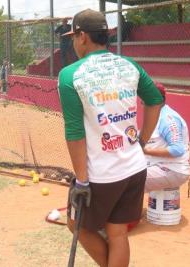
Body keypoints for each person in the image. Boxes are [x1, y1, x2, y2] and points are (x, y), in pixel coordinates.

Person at [57, 9, 163, 267]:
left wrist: (82, 180)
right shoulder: (129, 65)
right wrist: (142, 141)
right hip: (134, 167)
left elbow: (74, 132)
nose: (73, 42)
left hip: (101, 175)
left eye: (74, 36)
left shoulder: (70, 75)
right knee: (117, 233)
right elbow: (156, 100)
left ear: (83, 37)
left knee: (76, 223)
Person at [144, 82, 190, 192]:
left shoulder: (167, 118)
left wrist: (145, 151)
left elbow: (177, 149)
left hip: (172, 169)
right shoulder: (156, 114)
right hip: (159, 165)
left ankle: (125, 209)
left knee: (128, 180)